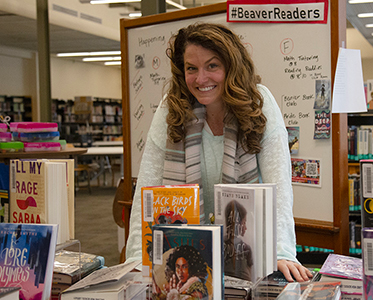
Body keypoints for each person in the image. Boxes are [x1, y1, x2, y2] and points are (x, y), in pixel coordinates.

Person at [125, 22, 312, 282]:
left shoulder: (260, 102)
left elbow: (278, 187)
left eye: (212, 66)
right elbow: (147, 189)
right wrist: (136, 257)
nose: (201, 79)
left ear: (231, 66)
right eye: (192, 68)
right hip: (185, 260)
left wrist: (281, 252)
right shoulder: (171, 108)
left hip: (245, 258)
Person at [223, 200, 253, 281]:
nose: (245, 227)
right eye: (244, 222)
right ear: (237, 224)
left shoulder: (246, 248)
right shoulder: (247, 249)